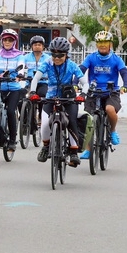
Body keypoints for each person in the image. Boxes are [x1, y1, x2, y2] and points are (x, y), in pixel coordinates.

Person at [28, 36, 88, 167]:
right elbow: (36, 78)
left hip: (69, 98)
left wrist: (83, 94)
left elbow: (85, 82)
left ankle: (73, 152)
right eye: (54, 55)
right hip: (50, 98)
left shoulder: (72, 65)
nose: (56, 58)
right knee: (44, 124)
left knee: (72, 122)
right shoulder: (47, 63)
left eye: (60, 55)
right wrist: (33, 92)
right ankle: (45, 146)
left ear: (66, 55)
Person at [78, 30, 127, 147]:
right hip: (93, 92)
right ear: (96, 44)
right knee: (88, 119)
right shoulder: (91, 58)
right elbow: (81, 70)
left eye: (105, 42)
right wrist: (75, 83)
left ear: (110, 44)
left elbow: (124, 72)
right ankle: (88, 150)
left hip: (111, 93)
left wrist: (125, 86)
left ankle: (112, 131)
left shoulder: (116, 59)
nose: (102, 45)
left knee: (110, 109)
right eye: (100, 42)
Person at [0, 29, 26, 153]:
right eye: (5, 39)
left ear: (14, 41)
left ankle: (12, 141)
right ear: (2, 41)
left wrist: (20, 74)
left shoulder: (19, 55)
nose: (7, 42)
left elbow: (21, 67)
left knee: (11, 111)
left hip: (13, 89)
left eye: (10, 40)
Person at [21, 35, 51, 139]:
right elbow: (20, 68)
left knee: (43, 97)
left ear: (43, 46)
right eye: (35, 45)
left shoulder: (48, 58)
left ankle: (41, 118)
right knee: (22, 99)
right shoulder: (25, 57)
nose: (37, 46)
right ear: (31, 46)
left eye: (39, 44)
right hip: (29, 84)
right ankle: (26, 123)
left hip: (43, 83)